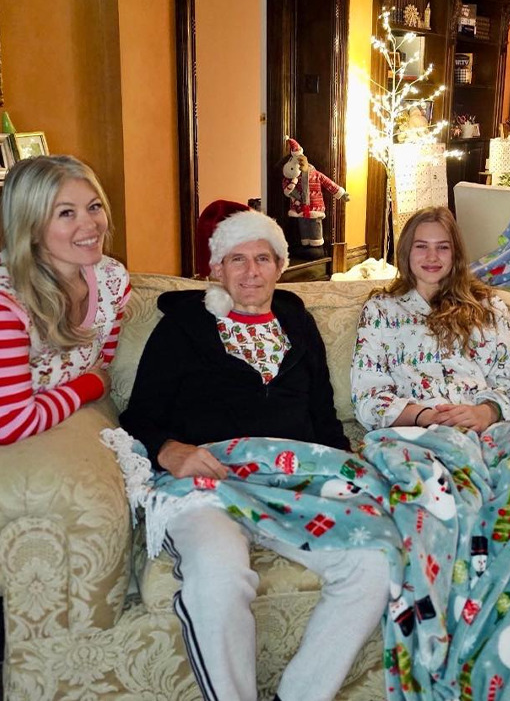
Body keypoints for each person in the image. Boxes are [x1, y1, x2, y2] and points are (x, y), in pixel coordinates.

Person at [119, 209, 389, 701]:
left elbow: (322, 411)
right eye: (236, 259)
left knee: (374, 564)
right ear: (215, 269)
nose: (250, 272)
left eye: (262, 258)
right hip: (207, 482)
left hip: (294, 479)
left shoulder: (296, 320)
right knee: (219, 574)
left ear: (280, 265)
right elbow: (139, 415)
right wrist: (169, 450)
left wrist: (347, 464)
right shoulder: (182, 327)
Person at [351, 206, 510, 699]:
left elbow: (507, 387)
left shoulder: (489, 309)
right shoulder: (381, 309)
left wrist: (485, 412)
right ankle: (436, 663)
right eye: (421, 245)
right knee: (438, 503)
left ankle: (504, 636)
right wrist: (425, 414)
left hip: (489, 431)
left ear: (457, 253)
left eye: (443, 246)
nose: (432, 256)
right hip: (417, 435)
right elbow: (368, 396)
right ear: (406, 252)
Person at [0, 155, 129, 444]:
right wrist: (91, 386)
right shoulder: (7, 304)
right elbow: (9, 424)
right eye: (66, 213)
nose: (91, 224)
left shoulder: (113, 279)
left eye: (94, 207)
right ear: (30, 227)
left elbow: (102, 362)